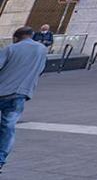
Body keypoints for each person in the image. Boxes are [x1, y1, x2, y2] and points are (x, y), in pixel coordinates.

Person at [0, 26, 48, 173]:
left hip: (2, 90)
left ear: (16, 37)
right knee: (8, 127)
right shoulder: (42, 50)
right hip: (21, 93)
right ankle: (0, 160)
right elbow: (40, 70)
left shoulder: (10, 49)